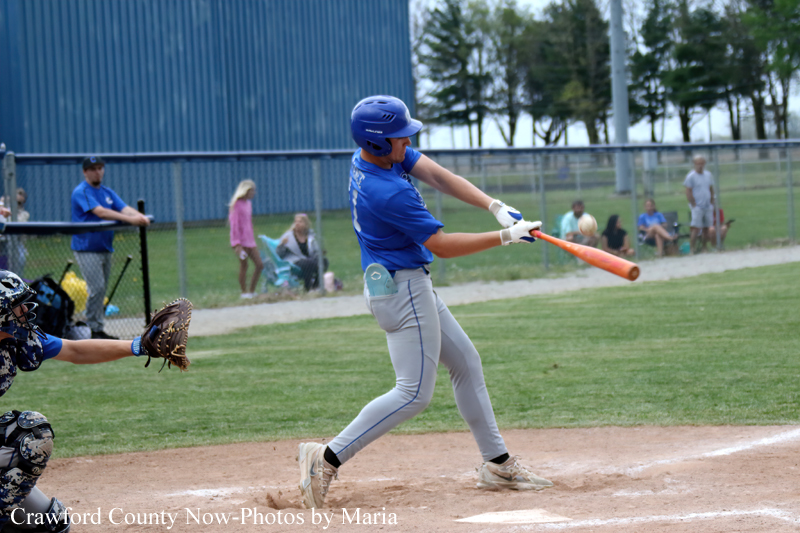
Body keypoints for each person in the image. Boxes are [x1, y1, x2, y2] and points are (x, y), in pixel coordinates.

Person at [297, 95, 552, 510]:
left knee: (466, 363)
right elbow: (443, 246)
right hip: (404, 290)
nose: (408, 142)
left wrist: (495, 206)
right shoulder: (388, 191)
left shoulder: (371, 158)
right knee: (414, 392)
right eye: (401, 137)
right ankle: (325, 458)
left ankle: (497, 464)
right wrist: (506, 237)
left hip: (397, 284)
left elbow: (436, 173)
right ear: (380, 143)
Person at [0, 269, 158, 532]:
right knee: (32, 431)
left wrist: (138, 346)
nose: (25, 311)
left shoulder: (18, 340)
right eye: (17, 307)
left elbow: (76, 350)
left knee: (51, 524)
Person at [70, 156, 150, 339]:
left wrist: (140, 216)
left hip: (105, 247)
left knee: (101, 289)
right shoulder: (81, 191)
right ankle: (92, 329)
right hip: (86, 247)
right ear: (85, 172)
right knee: (96, 288)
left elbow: (124, 208)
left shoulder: (107, 192)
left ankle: (96, 328)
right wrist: (132, 220)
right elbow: (101, 212)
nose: (97, 172)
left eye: (100, 168)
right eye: (93, 169)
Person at [228, 179, 263, 299]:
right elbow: (234, 224)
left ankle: (252, 290)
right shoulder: (236, 204)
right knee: (244, 265)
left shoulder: (249, 204)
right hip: (240, 242)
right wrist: (237, 244)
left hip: (250, 241)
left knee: (259, 265)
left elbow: (248, 223)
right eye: (251, 191)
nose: (253, 193)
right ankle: (244, 292)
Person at [277, 213, 328, 291]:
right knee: (308, 263)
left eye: (300, 222)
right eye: (296, 222)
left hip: (309, 259)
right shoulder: (287, 236)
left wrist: (320, 253)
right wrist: (283, 245)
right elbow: (279, 254)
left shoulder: (310, 236)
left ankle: (315, 285)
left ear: (306, 224)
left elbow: (315, 251)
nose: (297, 224)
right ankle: (308, 287)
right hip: (294, 261)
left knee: (324, 261)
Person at [684, 155, 715, 254]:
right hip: (697, 206)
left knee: (706, 228)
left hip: (707, 205)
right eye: (698, 163)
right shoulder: (691, 176)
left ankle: (704, 247)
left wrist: (711, 201)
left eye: (702, 163)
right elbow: (688, 190)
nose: (700, 165)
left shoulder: (708, 175)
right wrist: (693, 203)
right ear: (694, 164)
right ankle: (692, 248)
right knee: (696, 228)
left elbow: (711, 188)